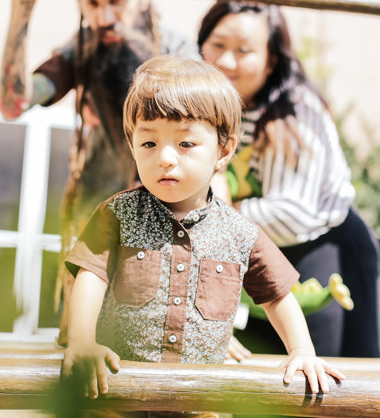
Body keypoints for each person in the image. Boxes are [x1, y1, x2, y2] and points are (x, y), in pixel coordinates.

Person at [62, 56, 345, 401]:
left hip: (201, 402)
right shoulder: (118, 215)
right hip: (119, 397)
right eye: (149, 143)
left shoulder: (239, 233)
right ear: (132, 145)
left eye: (185, 144)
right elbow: (90, 276)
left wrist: (301, 350)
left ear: (224, 151)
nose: (165, 157)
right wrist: (81, 341)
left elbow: (277, 296)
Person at [0, 0, 199, 343]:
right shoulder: (83, 49)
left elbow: (203, 133)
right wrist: (23, 0)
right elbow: (12, 102)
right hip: (98, 226)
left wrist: (132, 56)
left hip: (168, 229)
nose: (104, 16)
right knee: (83, 353)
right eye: (91, 2)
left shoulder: (178, 49)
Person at [198, 1, 380, 358]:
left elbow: (292, 214)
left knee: (320, 390)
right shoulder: (203, 107)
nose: (226, 60)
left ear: (271, 60)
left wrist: (214, 212)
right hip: (246, 257)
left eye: (244, 50)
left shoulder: (298, 111)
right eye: (218, 44)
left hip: (318, 255)